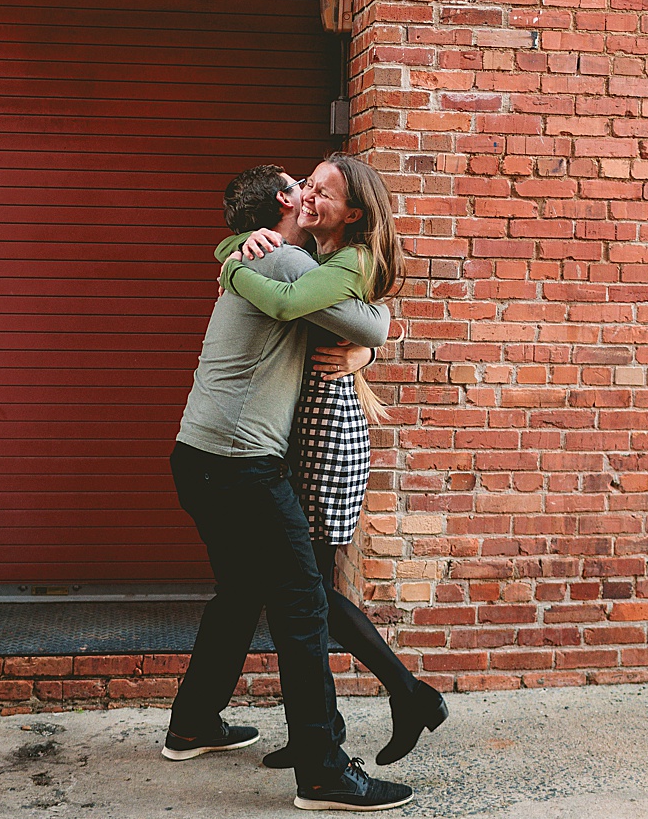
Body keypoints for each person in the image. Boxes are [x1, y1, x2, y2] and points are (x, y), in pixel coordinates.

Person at [163, 163, 414, 812]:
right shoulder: (284, 264)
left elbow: (354, 330)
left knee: (241, 591)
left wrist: (225, 253)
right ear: (285, 200)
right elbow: (373, 325)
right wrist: (366, 345)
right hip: (241, 466)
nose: (308, 188)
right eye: (299, 181)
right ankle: (325, 772)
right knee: (304, 605)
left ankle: (192, 723)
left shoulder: (263, 256)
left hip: (197, 457)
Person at [217, 153, 449, 768]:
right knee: (301, 586)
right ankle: (327, 725)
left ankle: (406, 695)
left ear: (352, 212)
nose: (310, 195)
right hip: (305, 428)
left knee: (309, 587)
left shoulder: (335, 264)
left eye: (323, 191)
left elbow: (365, 318)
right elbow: (361, 320)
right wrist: (232, 248)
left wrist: (231, 268)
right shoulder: (311, 257)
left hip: (328, 431)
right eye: (308, 186)